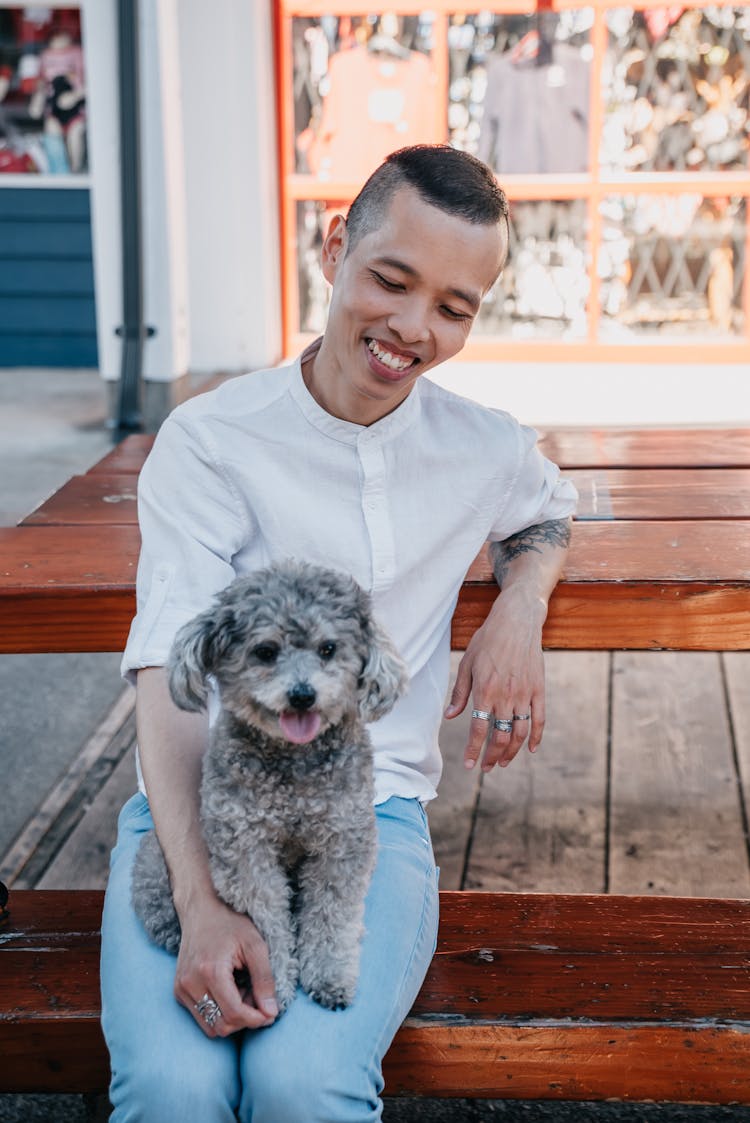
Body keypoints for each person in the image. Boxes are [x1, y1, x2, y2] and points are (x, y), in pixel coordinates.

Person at [100, 144, 577, 1122]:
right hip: (198, 801)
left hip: (374, 810)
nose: (413, 328)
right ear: (334, 250)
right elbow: (167, 667)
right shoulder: (210, 439)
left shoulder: (482, 444)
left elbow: (544, 515)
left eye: (454, 307)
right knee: (171, 1088)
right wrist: (200, 901)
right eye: (391, 281)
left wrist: (520, 608)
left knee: (303, 1085)